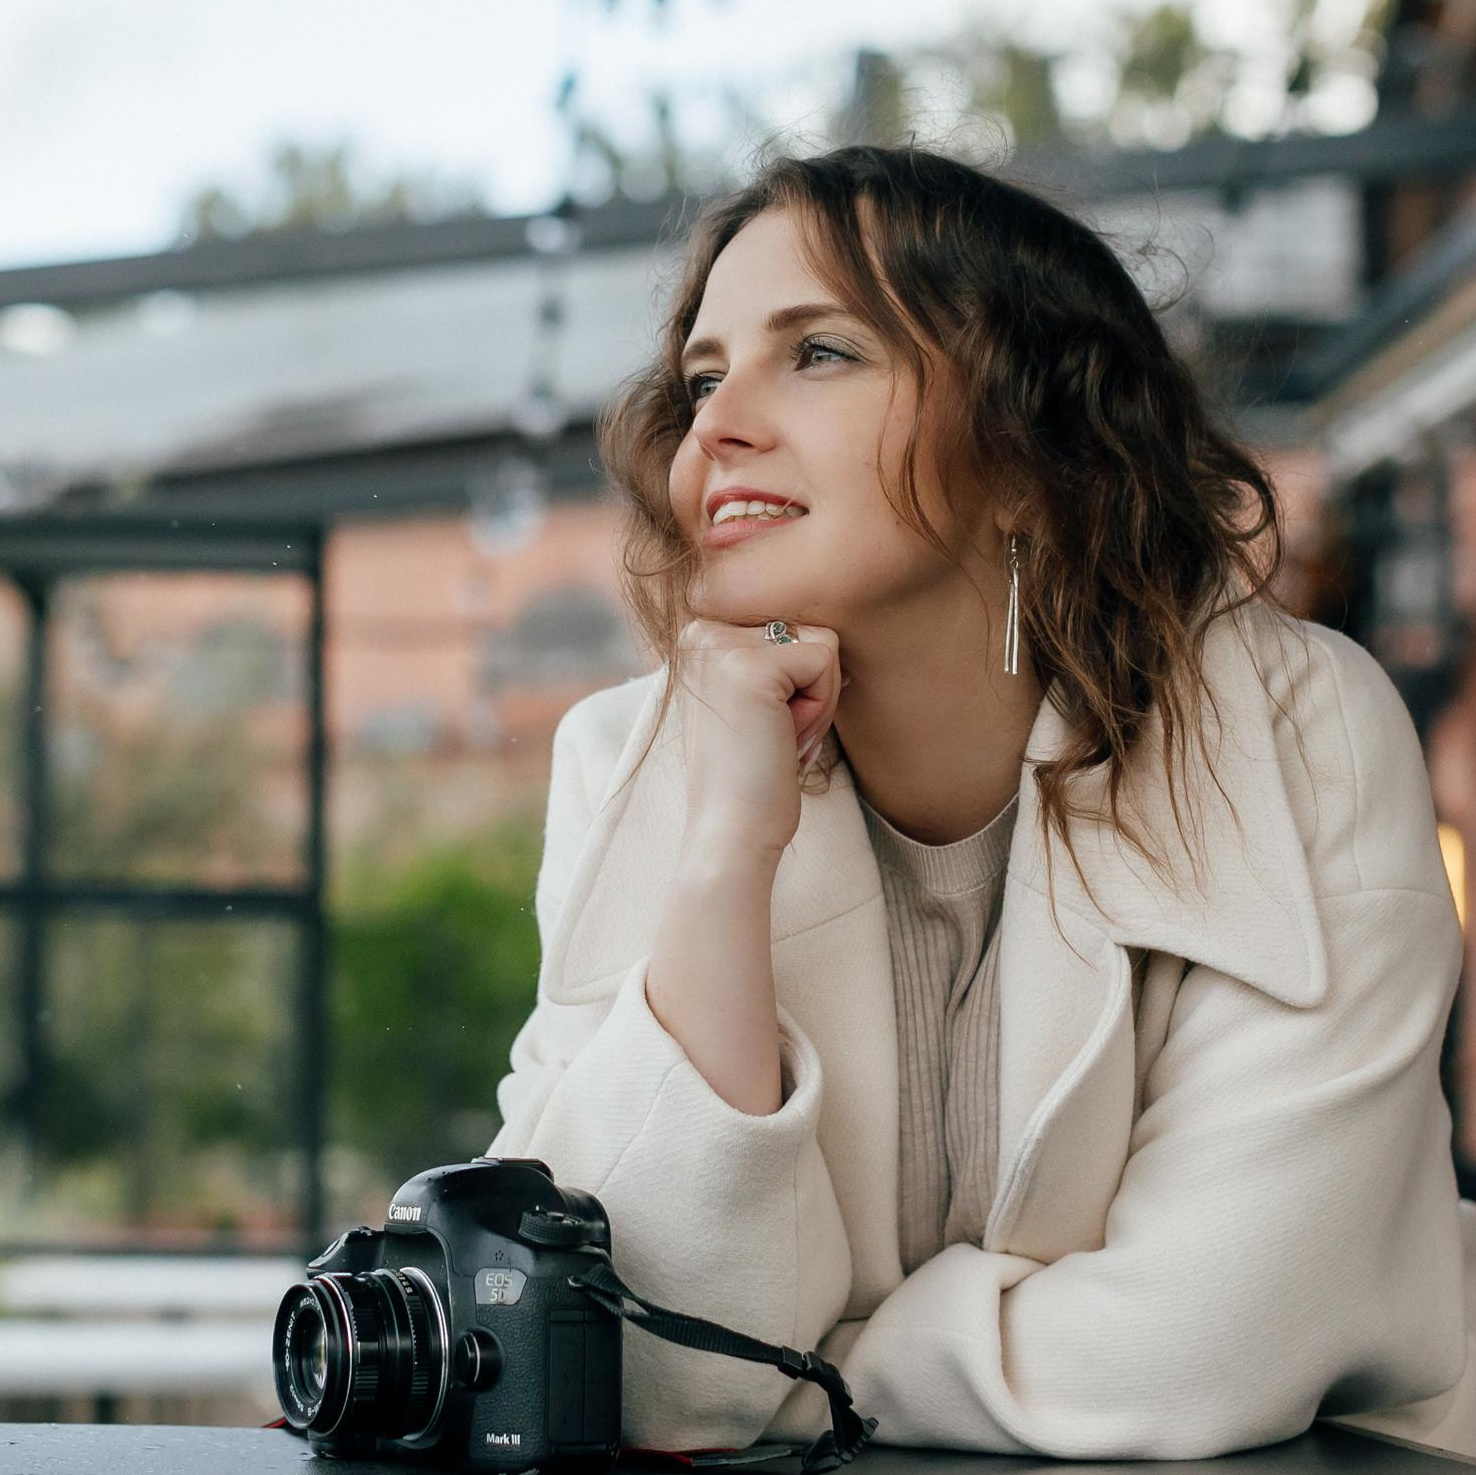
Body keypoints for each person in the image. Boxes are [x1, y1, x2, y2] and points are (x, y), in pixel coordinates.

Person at [485, 143, 1476, 1460]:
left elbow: (1200, 1350)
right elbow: (630, 1365)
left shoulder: (1297, 728)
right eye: (704, 376)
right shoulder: (635, 759)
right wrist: (727, 852)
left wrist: (807, 1382)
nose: (714, 426)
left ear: (1027, 452)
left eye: (819, 352)